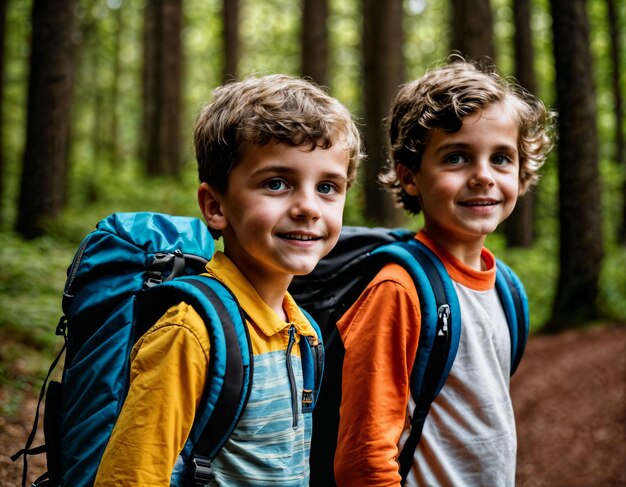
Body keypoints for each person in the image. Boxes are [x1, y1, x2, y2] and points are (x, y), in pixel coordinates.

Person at [95, 74, 362, 486]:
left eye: (327, 187)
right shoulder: (191, 333)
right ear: (215, 206)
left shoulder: (301, 328)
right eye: (277, 183)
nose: (309, 207)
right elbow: (131, 476)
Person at [333, 58, 555, 486]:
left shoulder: (505, 286)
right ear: (410, 177)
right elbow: (363, 458)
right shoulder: (399, 291)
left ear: (523, 174)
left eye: (502, 158)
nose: (483, 177)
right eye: (457, 158)